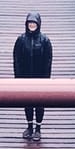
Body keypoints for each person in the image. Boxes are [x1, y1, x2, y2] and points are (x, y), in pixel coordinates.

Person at [12, 10, 52, 140]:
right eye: (30, 23)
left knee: (40, 103)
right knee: (28, 102)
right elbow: (16, 60)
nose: (32, 26)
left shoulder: (45, 40)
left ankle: (38, 129)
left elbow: (48, 61)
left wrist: (46, 79)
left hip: (40, 77)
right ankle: (29, 126)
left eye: (34, 24)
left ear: (38, 24)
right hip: (26, 77)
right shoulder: (21, 40)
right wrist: (18, 78)